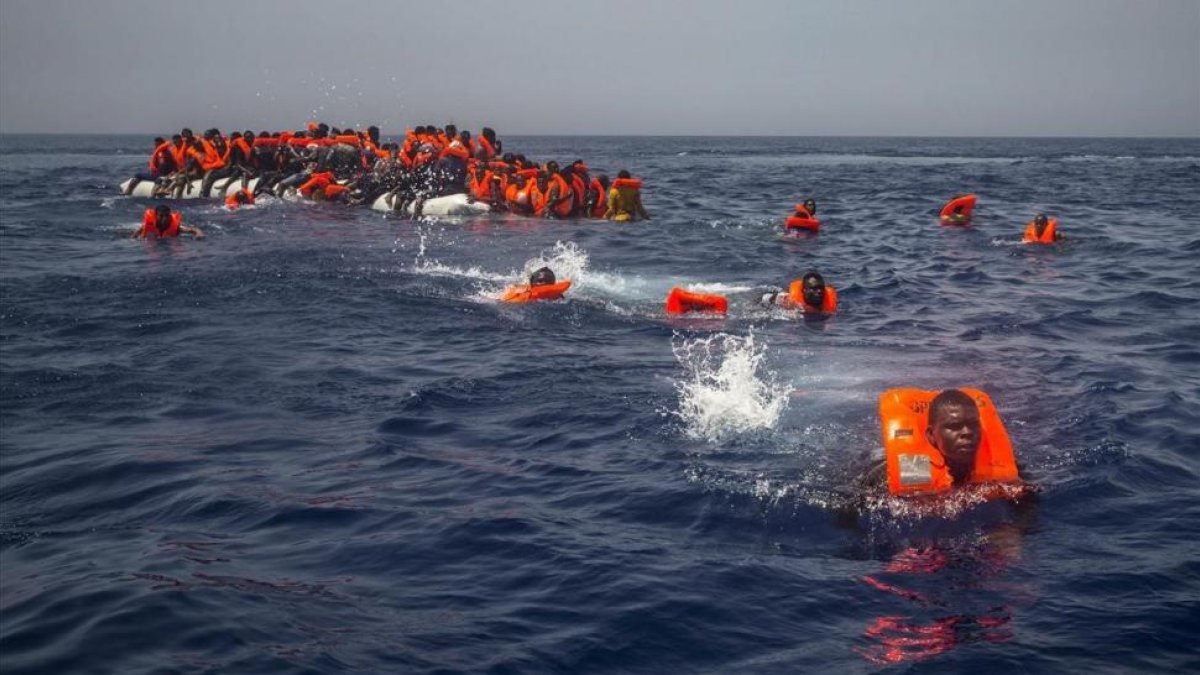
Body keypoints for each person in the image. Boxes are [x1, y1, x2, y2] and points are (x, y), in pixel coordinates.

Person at [861, 388, 1023, 495]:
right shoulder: (897, 473)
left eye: (973, 425)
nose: (967, 433)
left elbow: (1027, 505)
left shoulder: (1007, 467)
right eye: (954, 426)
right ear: (931, 435)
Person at [759, 271, 837, 314]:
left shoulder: (829, 299)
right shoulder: (789, 300)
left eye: (821, 288)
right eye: (814, 289)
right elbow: (765, 298)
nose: (819, 291)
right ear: (804, 291)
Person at [134, 204, 204, 239]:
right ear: (156, 216)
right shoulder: (149, 225)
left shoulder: (176, 227)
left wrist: (199, 234)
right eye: (161, 216)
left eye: (167, 215)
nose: (164, 218)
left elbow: (194, 230)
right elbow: (136, 234)